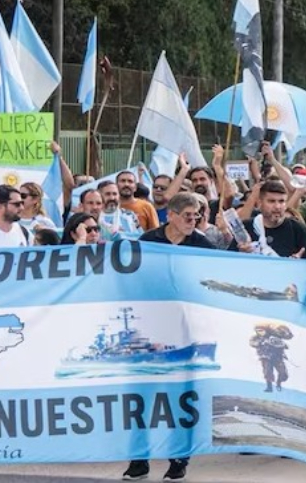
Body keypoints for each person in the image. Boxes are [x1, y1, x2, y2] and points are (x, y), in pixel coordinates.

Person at [121, 193, 213, 482]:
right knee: (141, 397)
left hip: (186, 329)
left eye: (196, 215)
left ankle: (178, 458)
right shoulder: (148, 242)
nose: (193, 220)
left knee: (180, 397)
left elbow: (222, 270)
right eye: (187, 215)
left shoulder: (200, 243)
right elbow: (128, 277)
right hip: (150, 328)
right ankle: (138, 459)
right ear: (170, 215)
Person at [239, 180, 306, 258]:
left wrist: (296, 264)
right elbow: (230, 260)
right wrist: (241, 254)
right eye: (271, 201)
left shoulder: (298, 230)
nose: (277, 206)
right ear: (260, 203)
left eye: (281, 201)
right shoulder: (246, 228)